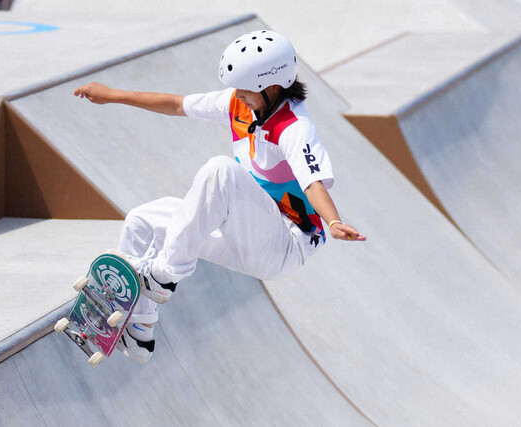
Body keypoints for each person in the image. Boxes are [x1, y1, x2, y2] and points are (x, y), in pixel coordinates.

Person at [74, 30, 365, 363]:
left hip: (284, 245)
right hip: (246, 232)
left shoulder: (294, 127)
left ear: (271, 88)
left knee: (221, 171)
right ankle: (138, 330)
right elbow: (175, 104)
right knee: (142, 220)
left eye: (244, 89)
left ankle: (164, 275)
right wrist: (112, 95)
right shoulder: (238, 103)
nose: (236, 95)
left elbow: (313, 183)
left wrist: (333, 221)